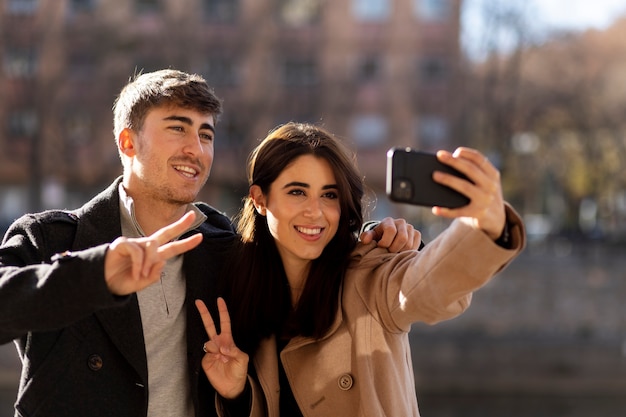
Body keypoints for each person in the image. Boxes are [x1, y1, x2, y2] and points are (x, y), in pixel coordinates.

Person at [0, 70, 415, 417]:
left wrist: (371, 236)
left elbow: (299, 246)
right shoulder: (48, 238)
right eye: (177, 128)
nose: (195, 149)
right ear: (128, 143)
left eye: (206, 134)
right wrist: (96, 272)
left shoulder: (227, 250)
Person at [209, 122, 526, 416]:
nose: (316, 211)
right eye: (297, 191)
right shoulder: (243, 287)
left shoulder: (370, 274)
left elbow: (424, 287)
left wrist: (485, 225)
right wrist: (238, 394)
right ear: (260, 199)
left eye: (329, 195)